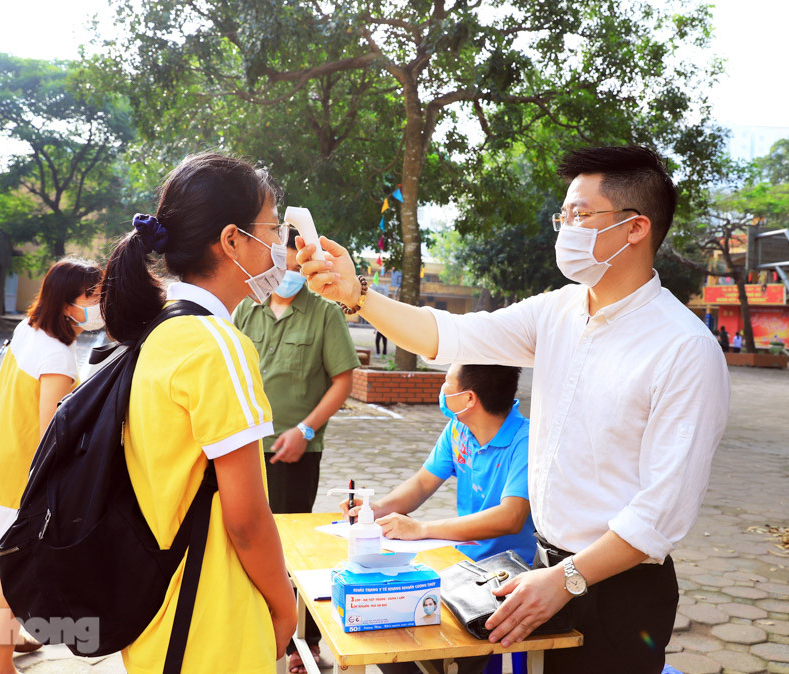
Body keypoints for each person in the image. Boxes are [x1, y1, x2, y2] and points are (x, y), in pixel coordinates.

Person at [299, 145, 730, 674]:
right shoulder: (558, 312)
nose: (565, 228)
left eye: (580, 215)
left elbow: (659, 515)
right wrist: (358, 293)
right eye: (563, 215)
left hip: (619, 591)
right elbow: (450, 334)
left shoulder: (683, 348)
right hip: (543, 569)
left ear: (635, 227)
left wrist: (567, 579)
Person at [100, 152, 296, 673]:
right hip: (210, 621)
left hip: (157, 611)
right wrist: (285, 606)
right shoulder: (218, 344)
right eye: (272, 228)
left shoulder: (161, 331)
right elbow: (248, 520)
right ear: (232, 240)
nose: (280, 246)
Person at [0, 257, 103, 674]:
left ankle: (7, 635)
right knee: (17, 568)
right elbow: (49, 435)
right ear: (65, 302)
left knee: (4, 558)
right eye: (92, 295)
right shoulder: (59, 356)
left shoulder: (28, 329)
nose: (99, 303)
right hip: (24, 472)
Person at [342, 363, 535, 674]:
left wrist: (422, 529)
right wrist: (375, 509)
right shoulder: (460, 429)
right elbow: (421, 484)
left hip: (508, 576)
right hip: (461, 563)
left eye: (447, 382)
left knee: (431, 646)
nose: (443, 389)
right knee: (382, 631)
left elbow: (510, 517)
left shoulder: (525, 441)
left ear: (468, 398)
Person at [233, 228, 359, 673]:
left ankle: (296, 644)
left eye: (294, 267)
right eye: (279, 267)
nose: (286, 275)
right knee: (241, 543)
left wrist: (305, 430)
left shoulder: (324, 313)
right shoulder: (246, 309)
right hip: (241, 451)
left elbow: (342, 379)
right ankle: (251, 629)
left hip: (294, 453)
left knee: (288, 548)